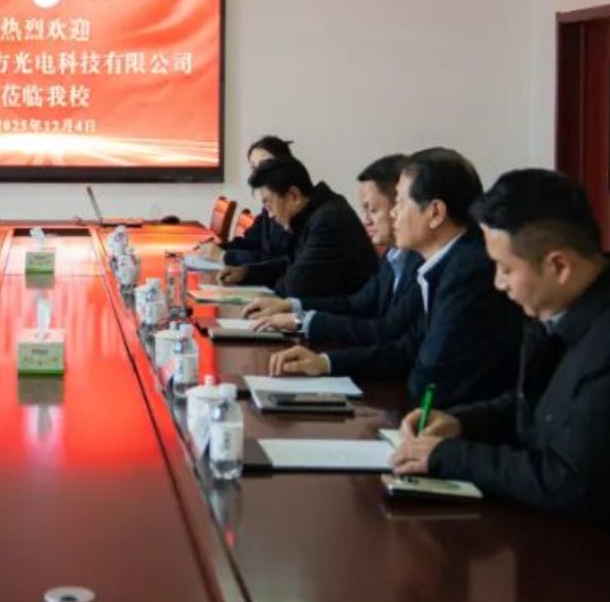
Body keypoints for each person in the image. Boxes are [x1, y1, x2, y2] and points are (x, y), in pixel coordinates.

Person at [391, 169, 610, 602]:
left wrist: (447, 456)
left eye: (506, 269)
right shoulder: (567, 310)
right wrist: (460, 422)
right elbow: (532, 406)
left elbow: (571, 482)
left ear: (559, 265)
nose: (498, 283)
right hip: (586, 550)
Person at [267, 148, 522, 409]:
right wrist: (326, 362)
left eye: (399, 203)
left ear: (435, 213)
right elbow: (406, 349)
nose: (393, 213)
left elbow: (428, 378)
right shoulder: (444, 263)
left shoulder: (467, 270)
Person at [244, 153, 422, 341]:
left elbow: (386, 332)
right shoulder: (394, 255)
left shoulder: (329, 219)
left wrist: (300, 320)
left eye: (373, 210)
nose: (366, 220)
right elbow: (355, 304)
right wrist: (292, 306)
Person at [224, 155, 378, 301]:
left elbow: (295, 288)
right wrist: (247, 272)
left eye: (269, 204)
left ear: (293, 195)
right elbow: (294, 263)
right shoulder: (312, 213)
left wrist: (273, 286)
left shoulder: (328, 220)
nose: (269, 215)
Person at [195, 135, 296, 266]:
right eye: (254, 167)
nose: (259, 172)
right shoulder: (268, 208)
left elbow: (275, 261)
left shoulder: (292, 207)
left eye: (264, 164)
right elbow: (251, 242)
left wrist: (224, 256)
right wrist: (218, 248)